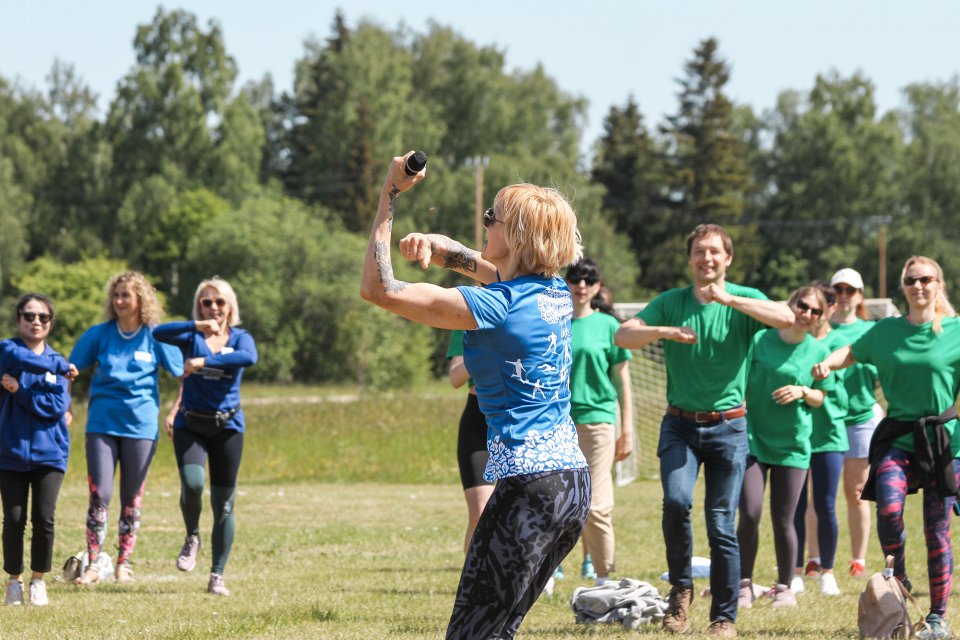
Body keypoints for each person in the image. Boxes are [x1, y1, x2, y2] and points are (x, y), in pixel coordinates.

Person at [361, 151, 590, 639]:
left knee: (471, 635)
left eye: (493, 218)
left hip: (529, 488)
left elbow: (379, 289)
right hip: (571, 487)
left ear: (519, 237)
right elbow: (486, 267)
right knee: (497, 630)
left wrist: (390, 194)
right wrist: (440, 250)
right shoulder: (553, 294)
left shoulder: (499, 306)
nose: (485, 223)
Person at [614, 224, 794, 637]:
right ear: (690, 258)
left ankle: (725, 616)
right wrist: (664, 332)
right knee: (676, 503)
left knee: (719, 522)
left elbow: (787, 317)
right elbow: (624, 335)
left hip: (729, 428)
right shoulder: (671, 302)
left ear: (727, 258)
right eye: (699, 251)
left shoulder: (744, 299)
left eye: (714, 252)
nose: (706, 258)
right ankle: (680, 593)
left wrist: (729, 299)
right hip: (679, 425)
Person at [812, 256, 960, 640]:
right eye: (912, 280)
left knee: (937, 531)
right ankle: (900, 576)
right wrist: (827, 364)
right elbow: (852, 352)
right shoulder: (886, 331)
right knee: (890, 507)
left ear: (938, 284)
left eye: (926, 279)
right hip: (899, 435)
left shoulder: (956, 331)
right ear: (904, 286)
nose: (919, 286)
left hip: (943, 443)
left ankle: (938, 617)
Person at [69, 272, 184, 585]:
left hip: (141, 427)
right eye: (116, 295)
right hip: (101, 424)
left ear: (140, 299)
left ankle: (124, 563)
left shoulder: (156, 336)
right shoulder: (100, 334)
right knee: (100, 494)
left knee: (132, 497)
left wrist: (175, 411)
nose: (119, 301)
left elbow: (184, 375)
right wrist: (63, 406)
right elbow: (69, 370)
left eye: (126, 295)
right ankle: (94, 564)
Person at [155, 277, 257, 597]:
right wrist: (198, 325)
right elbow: (158, 332)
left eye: (219, 302)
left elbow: (247, 358)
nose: (213, 307)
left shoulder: (240, 338)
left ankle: (217, 575)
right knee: (194, 484)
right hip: (191, 425)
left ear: (230, 307)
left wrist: (205, 361)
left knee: (223, 504)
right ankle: (192, 536)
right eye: (206, 302)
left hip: (227, 427)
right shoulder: (190, 336)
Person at [737, 286, 835, 609]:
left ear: (820, 318)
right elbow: (740, 379)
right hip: (754, 439)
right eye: (802, 305)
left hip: (793, 446)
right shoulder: (760, 341)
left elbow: (822, 397)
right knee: (749, 513)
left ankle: (783, 586)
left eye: (815, 311)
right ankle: (743, 585)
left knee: (785, 519)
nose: (806, 313)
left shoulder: (817, 351)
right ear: (789, 304)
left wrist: (803, 391)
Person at [0, 294, 76, 606]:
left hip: (51, 453)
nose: (36, 321)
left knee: (44, 518)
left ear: (50, 323)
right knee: (14, 519)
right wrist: (58, 366)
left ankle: (38, 580)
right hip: (11, 451)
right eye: (29, 315)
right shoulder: (7, 350)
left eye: (43, 317)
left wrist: (20, 391)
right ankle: (14, 581)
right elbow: (25, 362)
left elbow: (56, 407)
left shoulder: (57, 359)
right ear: (18, 319)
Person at [564, 258, 633, 586]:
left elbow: (623, 383)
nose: (581, 285)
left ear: (597, 287)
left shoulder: (608, 326)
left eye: (588, 280)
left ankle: (604, 577)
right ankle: (551, 566)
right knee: (559, 501)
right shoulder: (555, 323)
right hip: (558, 425)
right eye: (575, 278)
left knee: (595, 504)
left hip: (599, 424)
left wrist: (627, 431)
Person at [792, 282, 848, 596]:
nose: (813, 312)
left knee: (825, 505)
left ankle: (827, 571)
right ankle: (796, 572)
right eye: (807, 306)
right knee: (796, 507)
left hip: (828, 436)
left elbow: (830, 392)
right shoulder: (791, 341)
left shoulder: (837, 345)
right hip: (796, 437)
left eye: (821, 306)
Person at [828, 268, 882, 578]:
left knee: (857, 491)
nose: (844, 295)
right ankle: (815, 560)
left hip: (861, 418)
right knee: (819, 494)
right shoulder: (820, 329)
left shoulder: (871, 331)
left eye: (851, 290)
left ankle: (857, 559)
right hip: (826, 420)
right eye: (839, 289)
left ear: (860, 296)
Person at [445, 330, 494, 555]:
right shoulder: (466, 321)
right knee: (480, 510)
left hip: (514, 421)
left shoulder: (522, 313)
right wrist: (484, 350)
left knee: (519, 510)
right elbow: (456, 377)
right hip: (478, 420)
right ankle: (473, 585)